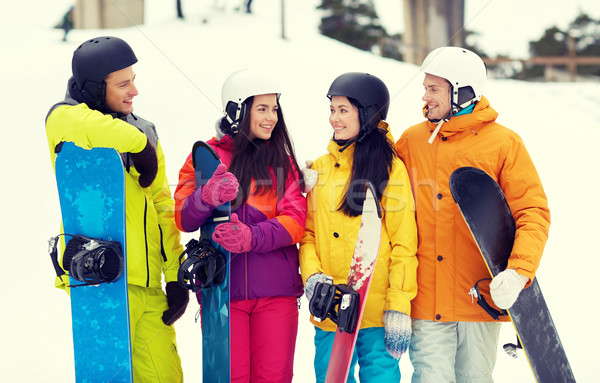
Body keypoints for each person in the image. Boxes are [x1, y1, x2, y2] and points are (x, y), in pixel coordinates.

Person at [396, 46, 551, 382]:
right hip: (426, 298)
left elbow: (532, 211)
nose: (425, 96)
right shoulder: (412, 140)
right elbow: (380, 191)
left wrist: (519, 271)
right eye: (426, 87)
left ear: (461, 91)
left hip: (478, 299)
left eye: (434, 89)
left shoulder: (503, 144)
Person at [45, 36, 188, 382]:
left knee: (166, 375)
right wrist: (137, 145)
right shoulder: (64, 121)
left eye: (134, 80)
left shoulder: (145, 129)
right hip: (100, 281)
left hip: (148, 284)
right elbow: (82, 124)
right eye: (123, 83)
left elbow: (162, 206)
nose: (134, 91)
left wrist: (175, 274)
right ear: (95, 88)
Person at [174, 68, 307, 383]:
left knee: (273, 377)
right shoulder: (204, 158)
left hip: (277, 293)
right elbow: (182, 217)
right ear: (236, 110)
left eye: (275, 109)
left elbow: (296, 220)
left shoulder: (281, 162)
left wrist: (253, 236)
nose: (272, 117)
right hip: (224, 292)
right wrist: (206, 197)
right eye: (262, 108)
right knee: (230, 377)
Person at [299, 72, 418, 382]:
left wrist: (398, 305)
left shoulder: (391, 168)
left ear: (367, 114)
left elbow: (405, 244)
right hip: (331, 306)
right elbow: (308, 235)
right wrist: (312, 277)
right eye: (332, 109)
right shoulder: (320, 169)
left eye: (343, 110)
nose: (334, 119)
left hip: (376, 310)